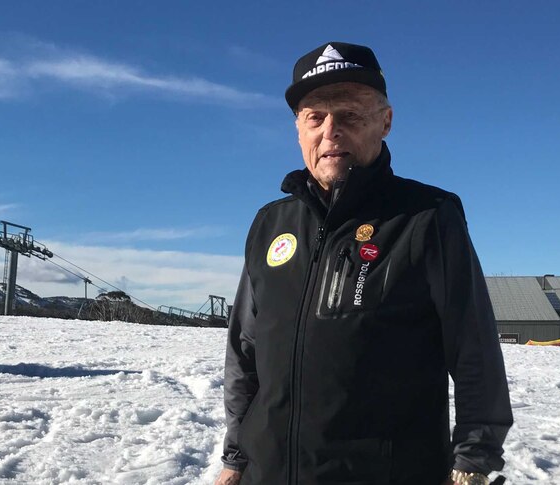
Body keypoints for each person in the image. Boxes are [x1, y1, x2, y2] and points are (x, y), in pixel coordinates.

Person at [216, 42, 513, 485]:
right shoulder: (270, 224)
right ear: (298, 129)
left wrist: (473, 461)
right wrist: (235, 459)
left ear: (385, 122)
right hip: (271, 472)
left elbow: (475, 350)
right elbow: (245, 350)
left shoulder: (428, 217)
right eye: (315, 117)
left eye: (351, 115)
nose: (330, 131)